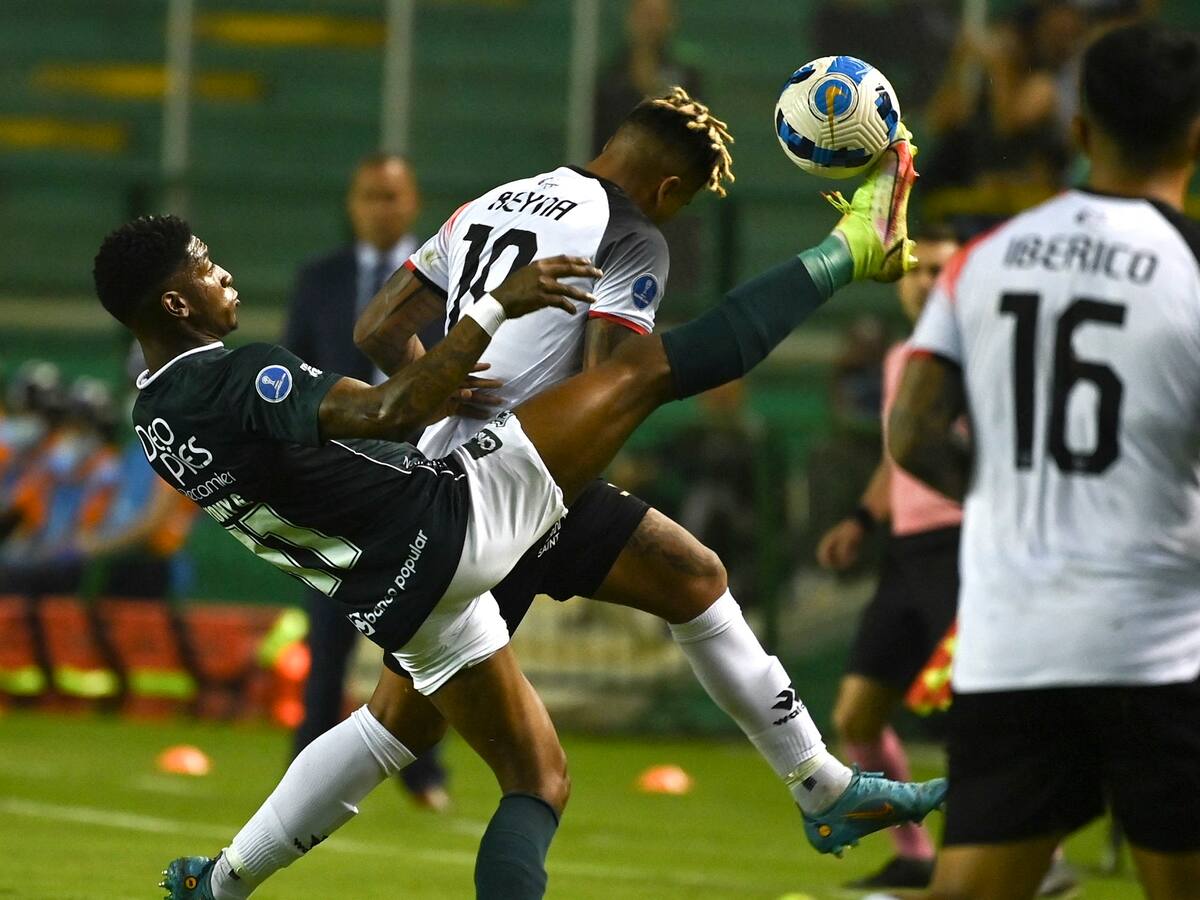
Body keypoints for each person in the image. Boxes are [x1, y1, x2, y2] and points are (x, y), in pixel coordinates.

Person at [94, 123, 943, 900]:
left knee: (520, 769)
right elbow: (388, 412)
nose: (223, 274)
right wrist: (500, 306)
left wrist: (435, 378)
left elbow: (384, 346)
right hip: (450, 517)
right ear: (175, 304)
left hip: (391, 590)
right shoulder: (243, 375)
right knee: (644, 377)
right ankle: (851, 249)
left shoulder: (153, 416)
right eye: (205, 268)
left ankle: (224, 883)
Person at [889, 22, 1200, 900]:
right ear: (1196, 134)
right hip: (1161, 645)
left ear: (1080, 131)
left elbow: (911, 434)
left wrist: (991, 496)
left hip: (1013, 641)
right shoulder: (1190, 265)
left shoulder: (983, 260)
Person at [282, 152, 449, 810]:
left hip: (423, 477)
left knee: (423, 635)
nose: (382, 207)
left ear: (413, 203)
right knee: (325, 638)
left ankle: (424, 773)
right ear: (353, 204)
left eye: (393, 196)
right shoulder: (318, 280)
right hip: (336, 484)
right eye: (370, 196)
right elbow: (296, 374)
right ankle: (300, 782)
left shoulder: (447, 279)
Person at [816, 229, 961, 891]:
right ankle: (914, 852)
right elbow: (898, 454)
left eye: (942, 269)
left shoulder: (977, 351)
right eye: (919, 270)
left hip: (961, 546)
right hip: (905, 553)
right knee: (856, 716)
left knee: (979, 717)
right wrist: (863, 516)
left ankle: (1031, 859)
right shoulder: (907, 356)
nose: (928, 281)